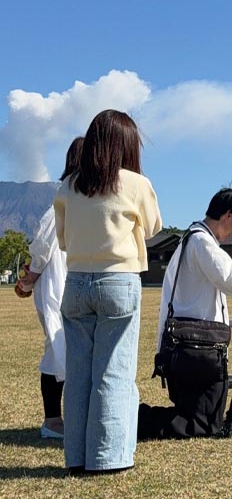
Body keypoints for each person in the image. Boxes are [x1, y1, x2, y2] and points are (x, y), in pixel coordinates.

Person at [54, 110, 162, 475]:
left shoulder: (69, 184)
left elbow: (63, 238)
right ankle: (109, 457)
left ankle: (77, 457)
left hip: (76, 282)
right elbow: (152, 228)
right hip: (118, 279)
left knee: (79, 373)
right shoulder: (135, 183)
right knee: (113, 371)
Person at [137, 188, 232, 440]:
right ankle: (131, 418)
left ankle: (129, 416)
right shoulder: (201, 242)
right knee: (204, 424)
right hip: (194, 351)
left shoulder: (194, 238)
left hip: (192, 348)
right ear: (228, 215)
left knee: (203, 420)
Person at [16, 137, 84, 439]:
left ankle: (62, 419)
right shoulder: (66, 197)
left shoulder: (75, 196)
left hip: (73, 280)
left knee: (66, 350)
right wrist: (32, 276)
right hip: (60, 282)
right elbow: (44, 243)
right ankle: (54, 421)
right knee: (58, 350)